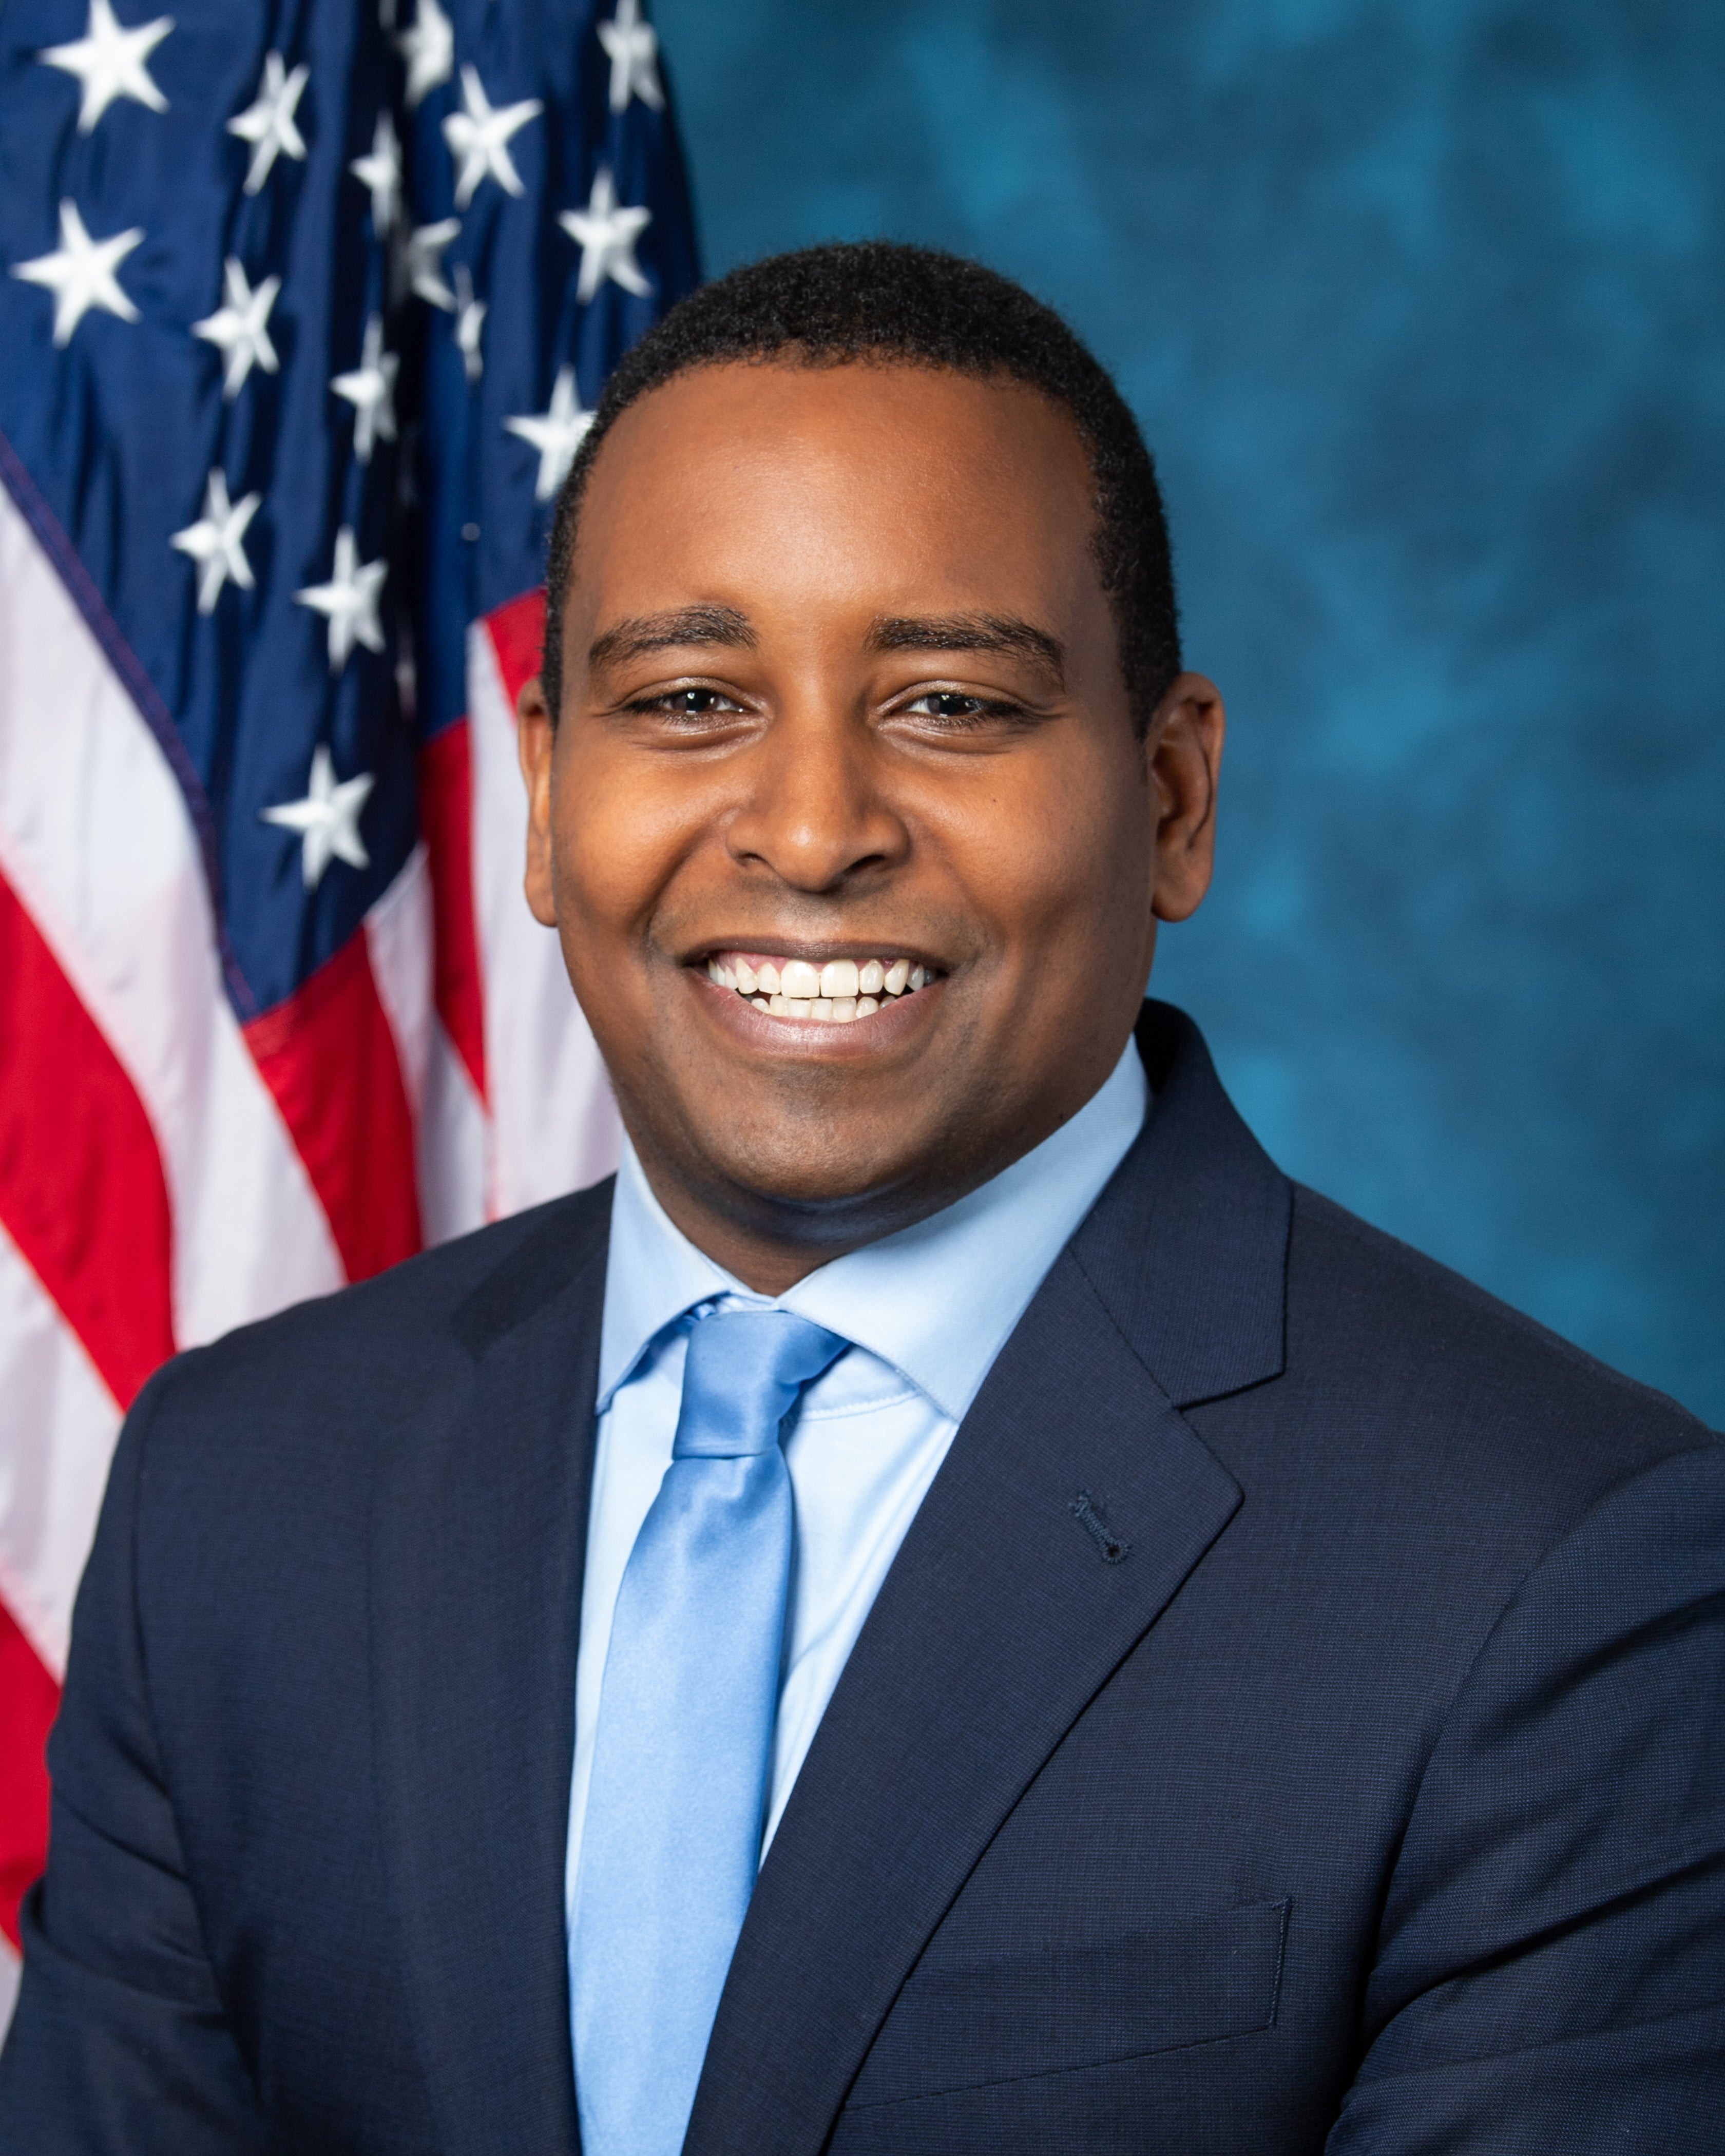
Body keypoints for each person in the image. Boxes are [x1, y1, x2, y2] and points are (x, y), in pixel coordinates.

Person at [2, 242, 1721, 2156]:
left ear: (1170, 799)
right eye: (692, 699)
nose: (812, 829)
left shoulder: (1570, 1578)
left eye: (953, 705)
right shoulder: (237, 1491)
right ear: (551, 797)